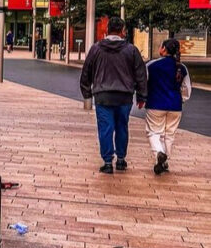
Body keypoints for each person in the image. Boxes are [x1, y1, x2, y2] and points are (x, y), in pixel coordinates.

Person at [79, 16, 147, 174]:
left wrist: (87, 92)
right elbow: (141, 74)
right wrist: (142, 96)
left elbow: (86, 72)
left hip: (103, 96)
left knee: (105, 128)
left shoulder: (96, 49)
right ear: (123, 31)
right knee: (122, 127)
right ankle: (121, 160)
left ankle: (108, 161)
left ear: (106, 29)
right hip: (124, 97)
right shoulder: (131, 50)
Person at [145, 38, 191, 176]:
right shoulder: (181, 68)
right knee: (169, 134)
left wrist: (143, 96)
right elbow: (186, 88)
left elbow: (144, 82)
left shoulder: (152, 65)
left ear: (164, 49)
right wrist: (181, 99)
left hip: (155, 103)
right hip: (175, 105)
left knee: (153, 132)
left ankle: (159, 152)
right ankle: (164, 161)